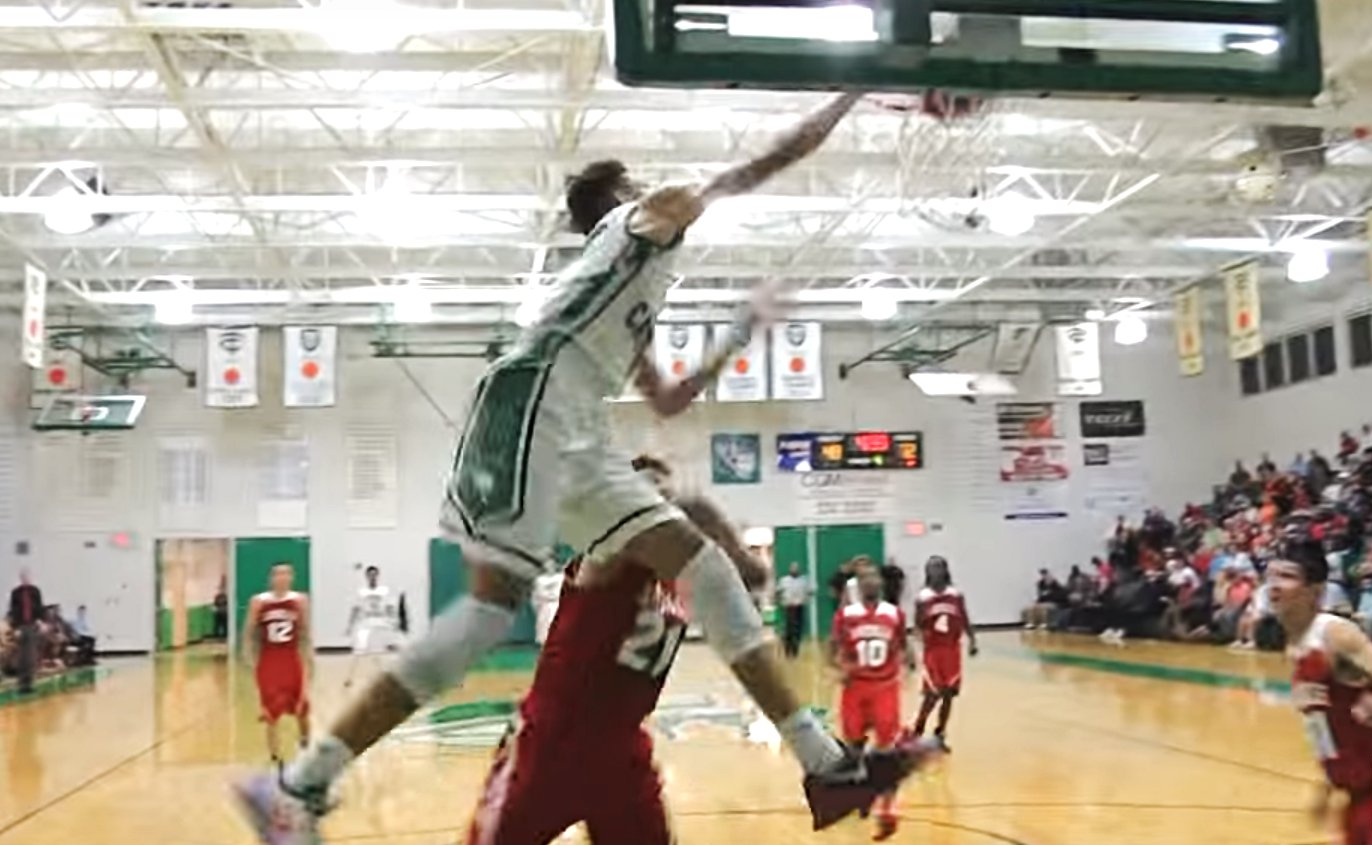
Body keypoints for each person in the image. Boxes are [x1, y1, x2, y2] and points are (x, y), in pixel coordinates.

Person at [236, 91, 933, 845]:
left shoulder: (625, 290)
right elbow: (760, 162)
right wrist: (857, 92)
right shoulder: (638, 221)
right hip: (534, 397)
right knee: (485, 614)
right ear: (625, 196)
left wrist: (740, 332)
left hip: (579, 426)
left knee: (704, 567)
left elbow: (668, 398)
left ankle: (825, 764)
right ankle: (296, 784)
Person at [465, 456, 765, 845]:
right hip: (549, 747)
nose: (659, 500)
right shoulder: (604, 555)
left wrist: (706, 520)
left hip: (621, 750)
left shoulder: (682, 572)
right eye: (647, 491)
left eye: (662, 492)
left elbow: (754, 576)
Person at [1270, 537, 1372, 845]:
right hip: (1362, 785)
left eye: (1287, 576)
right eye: (1271, 575)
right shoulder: (1295, 644)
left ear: (1315, 591)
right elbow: (1326, 725)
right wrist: (1328, 784)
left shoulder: (1334, 634)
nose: (1274, 585)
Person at [829, 558, 913, 841]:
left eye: (875, 578)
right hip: (855, 688)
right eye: (865, 579)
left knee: (886, 750)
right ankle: (860, 795)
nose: (871, 582)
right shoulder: (846, 615)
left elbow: (903, 644)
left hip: (885, 687)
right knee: (853, 749)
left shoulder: (894, 614)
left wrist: (910, 662)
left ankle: (888, 808)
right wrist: (839, 667)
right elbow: (833, 647)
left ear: (881, 583)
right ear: (858, 585)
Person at [243, 563, 312, 763]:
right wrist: (249, 655)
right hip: (269, 659)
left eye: (286, 573)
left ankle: (305, 743)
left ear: (292, 577)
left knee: (301, 707)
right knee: (271, 709)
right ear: (271, 578)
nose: (282, 577)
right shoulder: (258, 601)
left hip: (291, 658)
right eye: (277, 574)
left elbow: (305, 632)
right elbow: (249, 630)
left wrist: (308, 658)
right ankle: (274, 754)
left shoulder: (300, 600)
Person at [911, 556, 978, 750]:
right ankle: (918, 730)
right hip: (933, 651)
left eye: (939, 567)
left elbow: (964, 618)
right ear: (927, 572)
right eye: (931, 568)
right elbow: (917, 625)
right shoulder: (922, 597)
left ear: (946, 570)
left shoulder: (955, 594)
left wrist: (972, 640)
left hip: (952, 650)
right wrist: (919, 639)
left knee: (948, 694)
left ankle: (940, 733)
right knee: (932, 694)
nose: (936, 571)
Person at [344, 566, 400, 689]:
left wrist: (394, 621)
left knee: (380, 651)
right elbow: (355, 609)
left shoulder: (384, 591)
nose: (372, 577)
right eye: (370, 575)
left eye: (375, 574)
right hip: (365, 622)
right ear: (367, 576)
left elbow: (390, 607)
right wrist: (349, 625)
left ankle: (385, 677)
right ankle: (350, 678)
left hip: (380, 621)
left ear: (378, 576)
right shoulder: (361, 592)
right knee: (359, 649)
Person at [7, 568, 42, 694]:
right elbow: (13, 610)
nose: (26, 578)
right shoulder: (16, 593)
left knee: (31, 656)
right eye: (23, 577)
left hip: (32, 625)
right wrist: (15, 627)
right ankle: (22, 684)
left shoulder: (35, 591)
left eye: (27, 576)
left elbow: (39, 607)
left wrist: (40, 620)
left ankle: (30, 683)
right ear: (20, 578)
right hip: (21, 626)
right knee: (22, 657)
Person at [776, 562, 811, 658]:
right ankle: (787, 650)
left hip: (799, 606)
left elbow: (810, 591)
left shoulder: (804, 580)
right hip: (789, 607)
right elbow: (778, 592)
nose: (795, 570)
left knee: (798, 630)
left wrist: (805, 598)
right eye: (793, 568)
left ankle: (795, 651)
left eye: (796, 568)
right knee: (789, 629)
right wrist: (780, 601)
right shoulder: (784, 580)